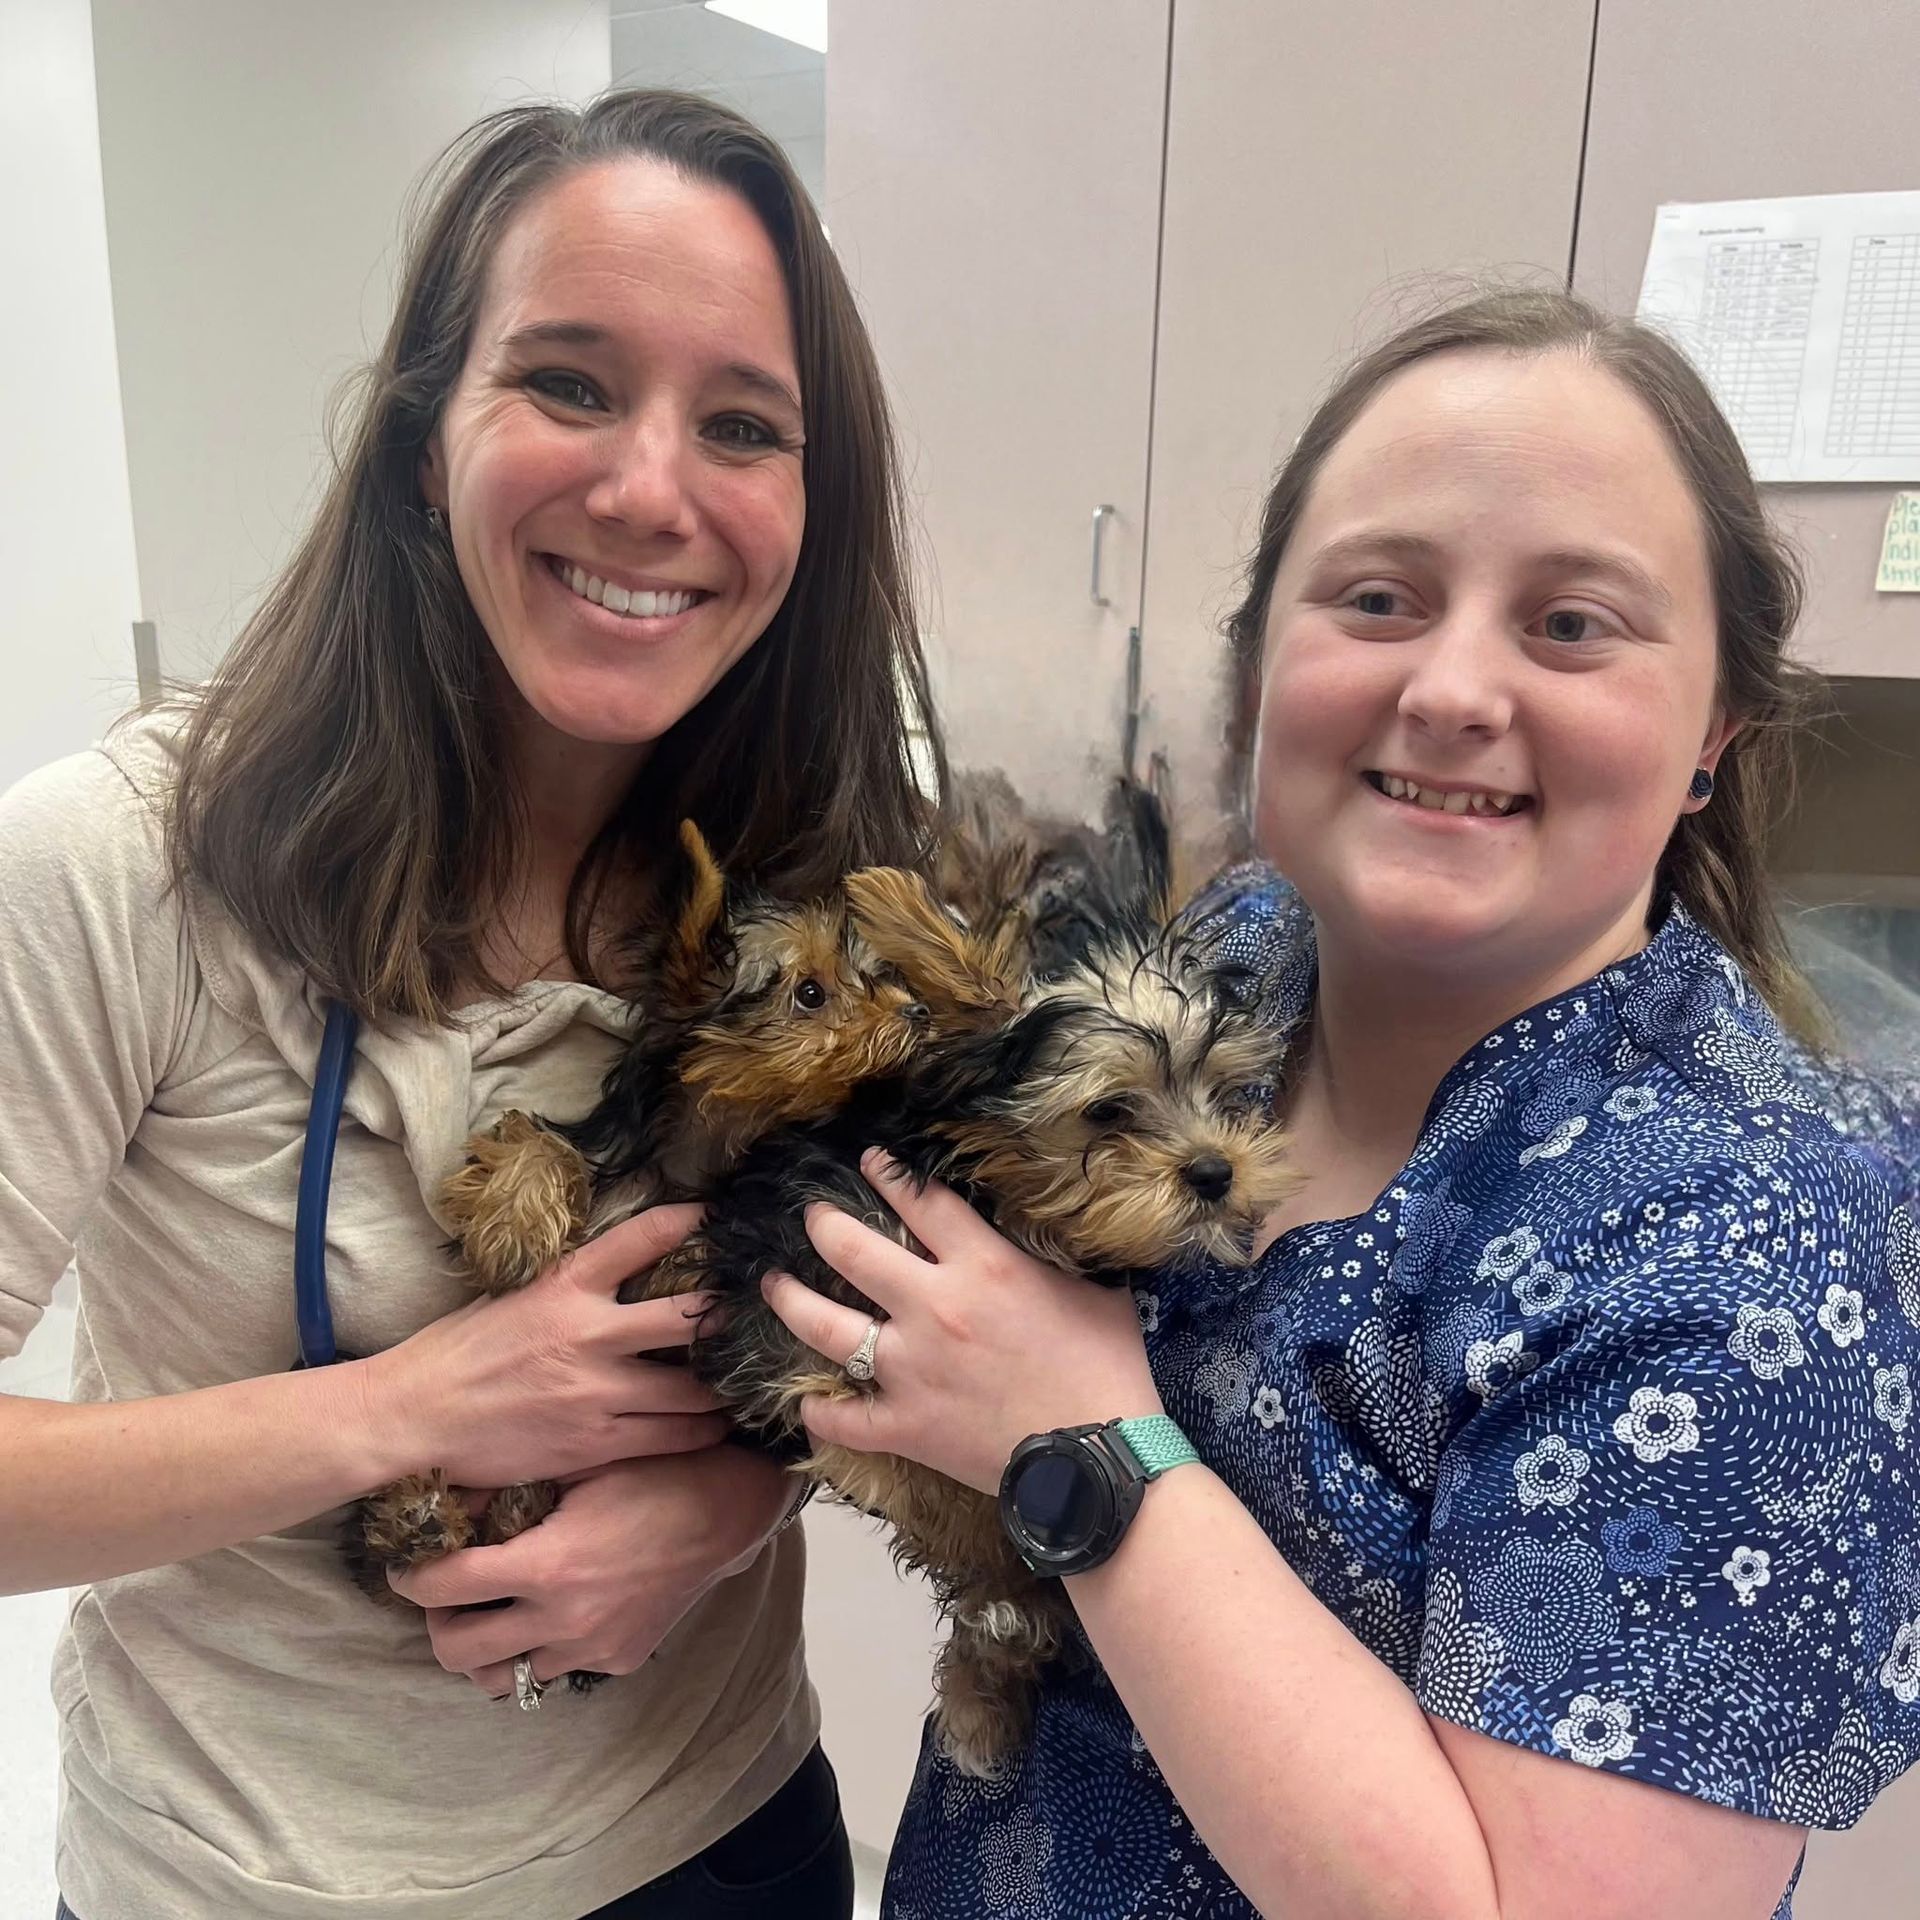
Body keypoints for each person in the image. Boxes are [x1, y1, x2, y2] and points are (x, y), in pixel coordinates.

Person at [762, 287, 1920, 1919]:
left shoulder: (1751, 1258)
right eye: (1379, 598)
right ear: (1256, 671)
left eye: (1572, 624)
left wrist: (1086, 1440)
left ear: (1716, 726)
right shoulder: (1236, 961)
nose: (1453, 688)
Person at [0, 88, 941, 1920]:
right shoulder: (121, 867)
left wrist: (745, 1496)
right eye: (570, 384)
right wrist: (407, 1409)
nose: (650, 490)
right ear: (427, 433)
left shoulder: (827, 893)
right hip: (264, 1882)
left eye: (741, 424)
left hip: (724, 1840)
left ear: (811, 510)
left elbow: (906, 1328)